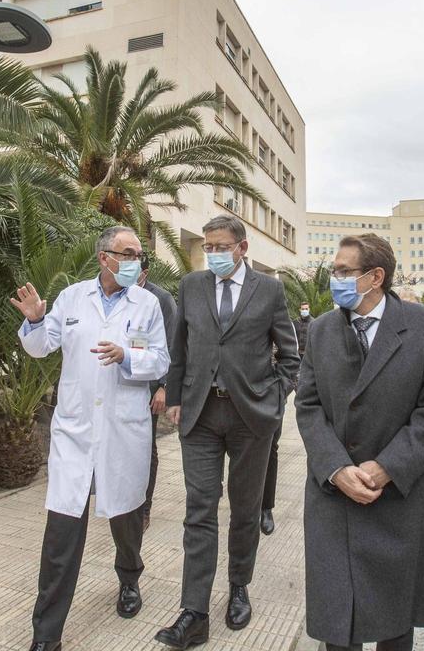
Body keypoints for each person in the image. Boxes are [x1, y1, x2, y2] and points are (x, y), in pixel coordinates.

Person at [11, 226, 171, 651]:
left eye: (138, 254)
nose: (136, 260)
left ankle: (129, 578)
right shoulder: (72, 298)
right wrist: (35, 319)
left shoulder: (148, 303)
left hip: (123, 431)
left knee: (126, 521)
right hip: (75, 431)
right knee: (61, 534)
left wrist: (128, 356)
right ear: (104, 258)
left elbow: (160, 359)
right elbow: (41, 346)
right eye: (128, 252)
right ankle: (46, 636)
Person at [297, 235, 424, 651]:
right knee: (338, 619)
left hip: (398, 493)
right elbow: (308, 405)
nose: (334, 278)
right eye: (335, 270)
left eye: (343, 271)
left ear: (376, 277)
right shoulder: (321, 329)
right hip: (334, 493)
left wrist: (388, 466)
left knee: (395, 618)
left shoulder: (423, 323)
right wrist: (335, 468)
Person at [155, 215, 300, 649]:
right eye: (209, 246)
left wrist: (274, 399)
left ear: (242, 248)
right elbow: (179, 348)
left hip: (249, 417)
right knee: (199, 509)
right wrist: (175, 396)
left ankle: (239, 585)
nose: (214, 253)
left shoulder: (268, 290)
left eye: (221, 246)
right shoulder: (191, 286)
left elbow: (290, 357)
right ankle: (194, 612)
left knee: (245, 507)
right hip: (200, 415)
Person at [258, 301, 314, 536]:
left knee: (270, 448)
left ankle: (265, 508)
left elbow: (291, 360)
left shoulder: (279, 319)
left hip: (270, 396)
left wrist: (279, 392)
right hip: (239, 396)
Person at [140, 256, 179, 532]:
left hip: (151, 387)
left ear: (145, 272)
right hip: (122, 385)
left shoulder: (161, 299)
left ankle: (144, 508)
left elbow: (173, 344)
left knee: (146, 447)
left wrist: (165, 386)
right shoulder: (118, 294)